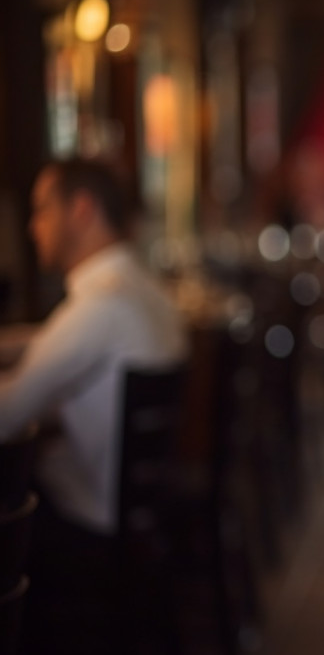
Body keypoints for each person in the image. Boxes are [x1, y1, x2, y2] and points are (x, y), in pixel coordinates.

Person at [0, 157, 188, 536]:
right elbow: (50, 338)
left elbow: (5, 416)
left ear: (82, 210)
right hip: (143, 506)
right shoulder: (142, 288)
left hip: (95, 520)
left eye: (41, 210)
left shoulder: (100, 308)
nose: (32, 227)